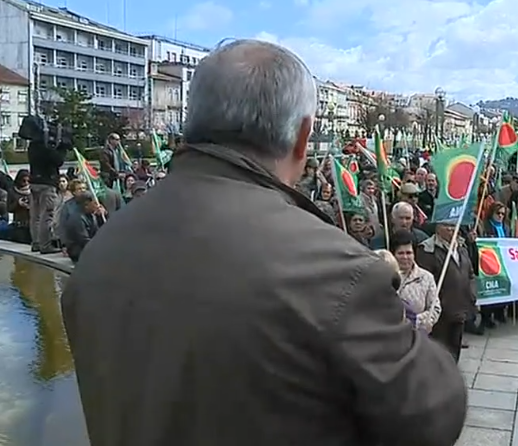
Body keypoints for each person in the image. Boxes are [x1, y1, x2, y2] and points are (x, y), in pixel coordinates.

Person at [60, 39, 466, 446]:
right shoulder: (333, 269)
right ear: (303, 136)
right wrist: (392, 305)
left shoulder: (101, 251)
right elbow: (435, 413)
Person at [417, 222, 477, 361]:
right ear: (437, 227)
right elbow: (425, 283)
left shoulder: (462, 247)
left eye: (453, 225)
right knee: (439, 353)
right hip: (441, 314)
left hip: (461, 309)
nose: (451, 228)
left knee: (455, 350)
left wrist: (472, 295)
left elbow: (470, 274)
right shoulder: (427, 250)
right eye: (446, 225)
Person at [389, 229, 441, 333]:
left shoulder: (426, 277)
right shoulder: (385, 277)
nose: (405, 257)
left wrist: (415, 320)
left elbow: (435, 308)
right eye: (400, 253)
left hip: (418, 334)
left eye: (409, 253)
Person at [28, 126, 67, 254]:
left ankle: (36, 243)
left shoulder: (33, 145)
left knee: (36, 215)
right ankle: (45, 245)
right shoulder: (48, 147)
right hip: (47, 183)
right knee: (47, 215)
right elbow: (58, 161)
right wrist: (61, 148)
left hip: (34, 182)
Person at [61, 190, 105, 263]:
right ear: (86, 205)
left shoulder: (91, 216)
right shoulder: (77, 218)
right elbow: (84, 240)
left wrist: (101, 217)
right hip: (79, 251)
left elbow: (99, 233)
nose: (97, 206)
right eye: (95, 203)